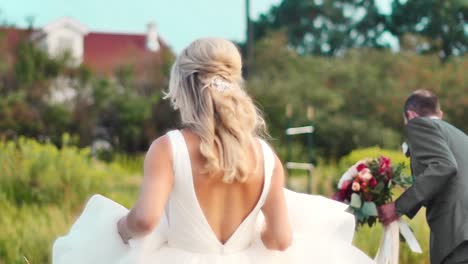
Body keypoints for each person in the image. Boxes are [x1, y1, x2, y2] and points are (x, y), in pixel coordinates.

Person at [52, 38, 374, 264]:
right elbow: (280, 239)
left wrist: (120, 227)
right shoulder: (266, 158)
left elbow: (146, 220)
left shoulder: (169, 148)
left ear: (184, 87)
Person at [379, 90, 468, 264]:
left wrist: (397, 207)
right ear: (439, 114)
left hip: (459, 237)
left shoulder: (419, 124)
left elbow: (444, 166)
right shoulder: (461, 136)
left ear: (410, 115)